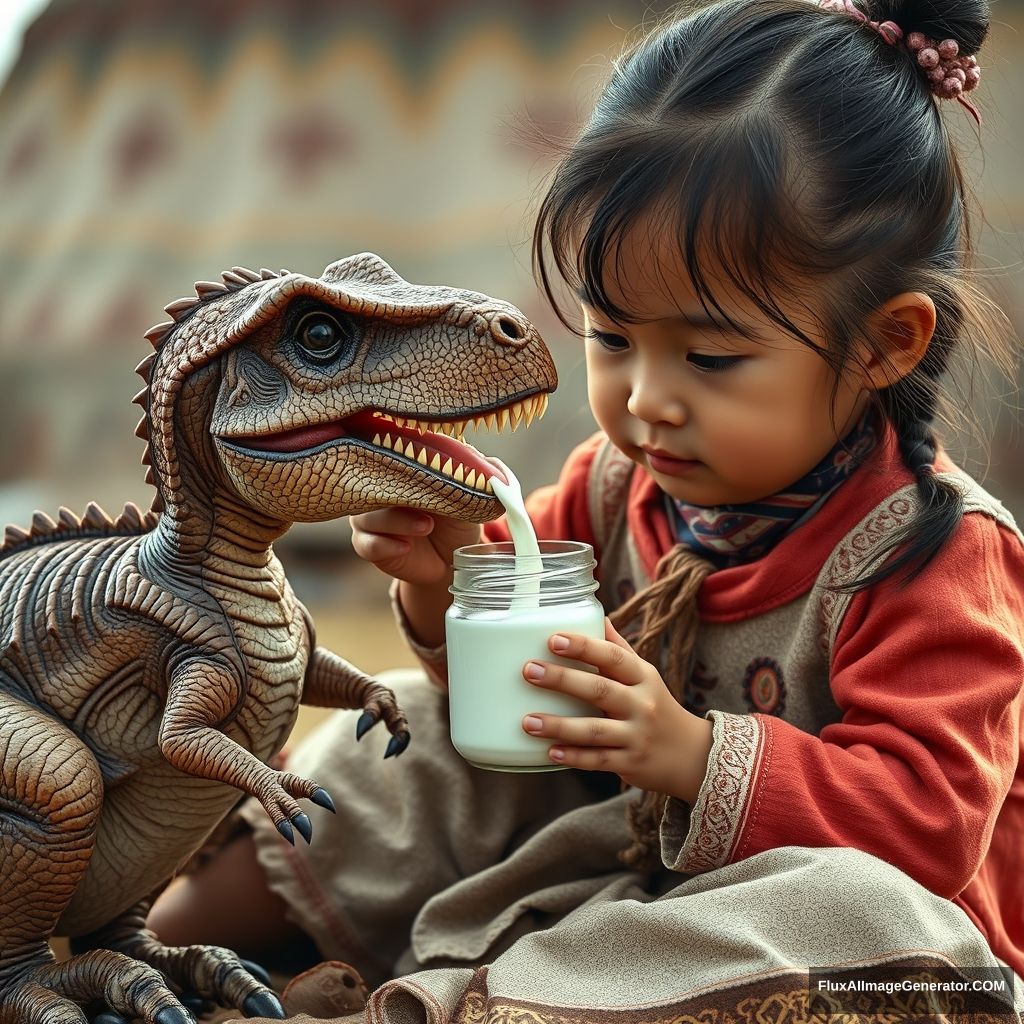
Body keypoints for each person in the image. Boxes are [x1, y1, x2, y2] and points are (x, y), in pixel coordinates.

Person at [148, 0, 1024, 1019]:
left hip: (823, 932)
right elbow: (506, 703)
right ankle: (154, 936)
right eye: (612, 339)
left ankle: (461, 998)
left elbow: (929, 832)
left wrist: (692, 755)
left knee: (861, 919)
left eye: (709, 357)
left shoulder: (935, 555)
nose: (645, 398)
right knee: (407, 729)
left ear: (884, 342)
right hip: (614, 871)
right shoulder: (614, 487)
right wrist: (449, 584)